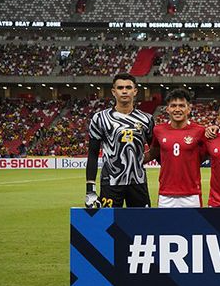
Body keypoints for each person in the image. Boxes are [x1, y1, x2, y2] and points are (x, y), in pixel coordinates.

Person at [85, 73, 154, 208]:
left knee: (141, 226)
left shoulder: (147, 119)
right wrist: (90, 189)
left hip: (138, 181)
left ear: (135, 91)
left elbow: (156, 151)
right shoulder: (100, 118)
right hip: (110, 182)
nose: (124, 91)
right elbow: (92, 154)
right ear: (113, 91)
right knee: (108, 226)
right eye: (120, 87)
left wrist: (137, 161)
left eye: (128, 87)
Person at [144, 88, 206, 207]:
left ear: (188, 109)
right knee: (165, 226)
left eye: (182, 106)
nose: (177, 109)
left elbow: (206, 155)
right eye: (173, 106)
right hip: (166, 194)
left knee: (193, 226)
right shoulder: (158, 130)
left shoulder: (200, 131)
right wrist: (132, 161)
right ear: (167, 109)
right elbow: (153, 153)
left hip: (191, 194)